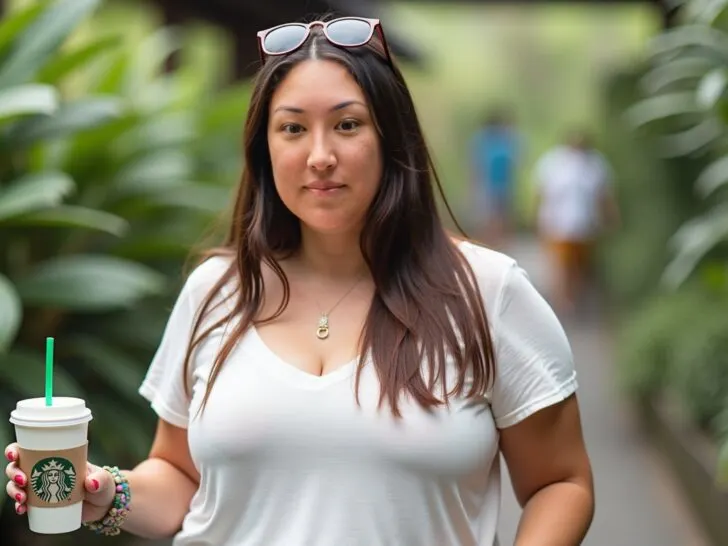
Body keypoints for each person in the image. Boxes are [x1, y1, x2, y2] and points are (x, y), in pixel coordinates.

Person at [5, 16, 594, 546]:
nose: (319, 155)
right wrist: (103, 491)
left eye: (347, 124)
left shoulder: (487, 291)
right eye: (292, 129)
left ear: (392, 139)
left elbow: (561, 481)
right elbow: (180, 477)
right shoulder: (216, 291)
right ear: (265, 149)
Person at [533, 130, 620, 316]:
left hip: (586, 227)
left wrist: (611, 218)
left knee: (580, 266)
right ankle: (562, 304)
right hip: (557, 226)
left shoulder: (596, 164)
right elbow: (541, 192)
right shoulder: (552, 162)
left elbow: (603, 195)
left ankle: (575, 300)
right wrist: (537, 217)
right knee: (560, 266)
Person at [469, 107, 520, 249]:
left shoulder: (506, 139)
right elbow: (476, 165)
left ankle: (502, 245)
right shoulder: (483, 139)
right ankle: (489, 244)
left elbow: (514, 162)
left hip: (503, 185)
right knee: (489, 218)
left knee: (502, 217)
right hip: (488, 185)